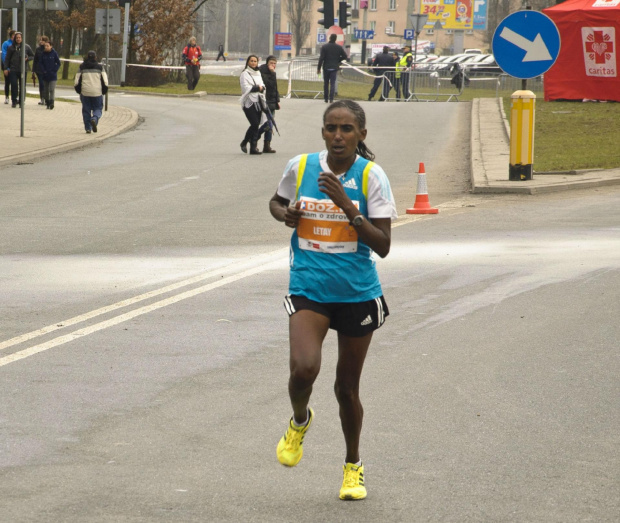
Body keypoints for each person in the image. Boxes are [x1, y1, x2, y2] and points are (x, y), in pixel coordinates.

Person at [269, 100, 397, 500]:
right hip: (309, 286)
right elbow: (276, 201)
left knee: (346, 388)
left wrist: (347, 206)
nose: (337, 136)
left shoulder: (372, 177)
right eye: (330, 128)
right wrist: (284, 213)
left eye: (346, 129)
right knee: (304, 369)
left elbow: (383, 246)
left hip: (357, 293)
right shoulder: (302, 166)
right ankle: (299, 420)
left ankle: (352, 466)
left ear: (361, 134)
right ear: (322, 132)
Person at [74, 51, 108, 134]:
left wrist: (79, 90)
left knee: (86, 110)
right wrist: (104, 90)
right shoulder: (100, 67)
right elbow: (105, 81)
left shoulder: (82, 67)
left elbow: (76, 81)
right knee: (98, 108)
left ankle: (88, 128)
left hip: (85, 92)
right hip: (97, 92)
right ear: (95, 57)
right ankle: (94, 119)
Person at [239, 54, 268, 155]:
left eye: (255, 61)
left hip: (259, 101)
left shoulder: (258, 73)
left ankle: (253, 148)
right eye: (251, 61)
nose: (253, 63)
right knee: (254, 123)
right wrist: (257, 88)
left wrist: (262, 88)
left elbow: (263, 85)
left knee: (257, 124)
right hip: (248, 102)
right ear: (248, 62)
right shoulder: (244, 74)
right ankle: (244, 142)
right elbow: (245, 88)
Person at [3, 31, 34, 108]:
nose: (18, 39)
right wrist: (6, 68)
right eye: (17, 38)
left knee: (22, 86)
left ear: (22, 38)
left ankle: (21, 101)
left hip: (23, 70)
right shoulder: (11, 48)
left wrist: (27, 58)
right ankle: (14, 101)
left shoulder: (26, 47)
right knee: (14, 85)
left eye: (19, 38)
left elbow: (32, 56)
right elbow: (7, 59)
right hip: (13, 69)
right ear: (15, 39)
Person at [258, 55, 280, 154]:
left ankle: (267, 145)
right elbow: (269, 84)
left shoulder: (272, 73)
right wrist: (272, 73)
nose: (273, 65)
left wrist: (277, 101)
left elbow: (275, 88)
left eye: (275, 63)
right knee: (268, 123)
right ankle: (254, 136)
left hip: (272, 101)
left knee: (270, 124)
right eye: (271, 63)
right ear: (267, 63)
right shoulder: (263, 72)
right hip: (264, 100)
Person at [317, 34, 348, 104]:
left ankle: (325, 98)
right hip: (334, 67)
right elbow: (345, 56)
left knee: (326, 83)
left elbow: (321, 58)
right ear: (335, 39)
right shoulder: (339, 47)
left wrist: (318, 68)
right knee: (332, 83)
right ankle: (331, 99)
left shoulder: (324, 47)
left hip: (326, 67)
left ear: (330, 38)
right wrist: (338, 60)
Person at [39, 40, 60, 110]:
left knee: (52, 89)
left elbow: (58, 63)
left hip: (52, 75)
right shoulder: (43, 54)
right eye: (45, 46)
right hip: (45, 74)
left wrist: (54, 70)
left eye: (48, 46)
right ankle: (47, 102)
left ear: (51, 46)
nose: (46, 47)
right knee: (46, 90)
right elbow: (40, 63)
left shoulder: (54, 53)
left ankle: (52, 102)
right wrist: (43, 70)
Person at [32, 35, 49, 105]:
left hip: (46, 70)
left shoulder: (47, 49)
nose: (41, 41)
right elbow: (35, 60)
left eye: (43, 40)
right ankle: (42, 98)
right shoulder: (38, 49)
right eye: (40, 40)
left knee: (46, 85)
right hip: (39, 70)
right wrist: (33, 70)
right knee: (41, 84)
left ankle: (47, 98)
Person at [1, 30, 15, 104]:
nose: (14, 37)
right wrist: (6, 67)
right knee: (7, 82)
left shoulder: (17, 44)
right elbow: (4, 55)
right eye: (13, 35)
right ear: (11, 36)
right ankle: (7, 97)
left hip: (15, 66)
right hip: (7, 65)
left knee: (14, 82)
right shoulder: (6, 44)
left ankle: (14, 97)